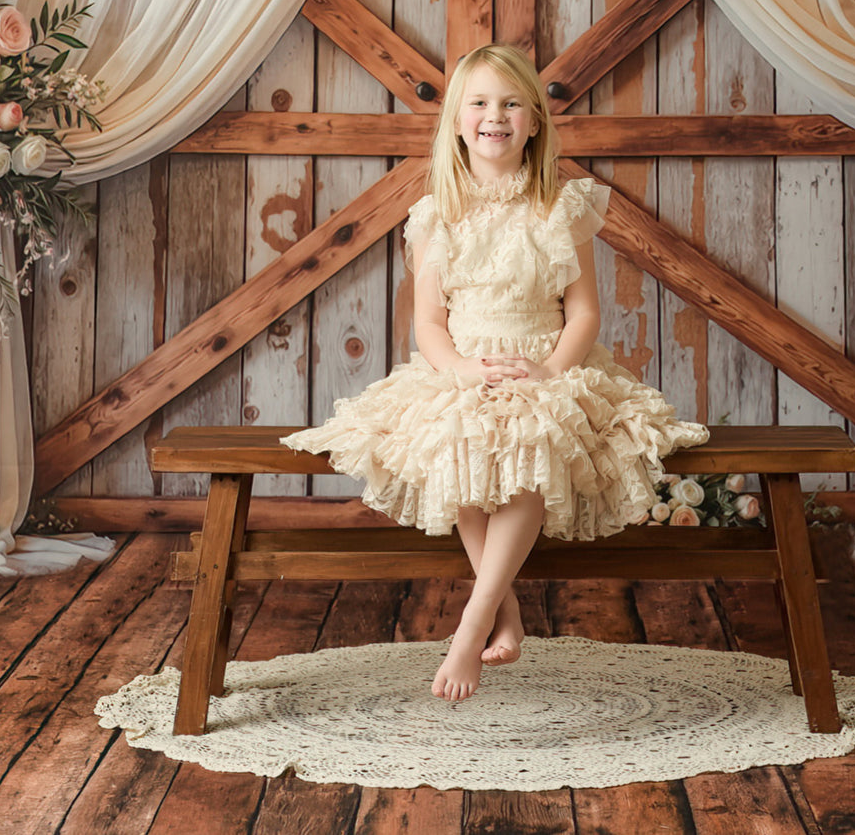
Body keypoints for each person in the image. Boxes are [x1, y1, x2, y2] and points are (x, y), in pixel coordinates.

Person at [281, 44, 710, 701]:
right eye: (479, 103)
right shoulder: (437, 216)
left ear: (534, 122)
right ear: (456, 121)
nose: (494, 115)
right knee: (454, 437)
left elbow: (585, 314)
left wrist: (547, 371)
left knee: (532, 439)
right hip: (464, 364)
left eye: (510, 103)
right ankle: (503, 606)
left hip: (546, 363)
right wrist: (456, 369)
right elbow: (427, 321)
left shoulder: (560, 208)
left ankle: (472, 621)